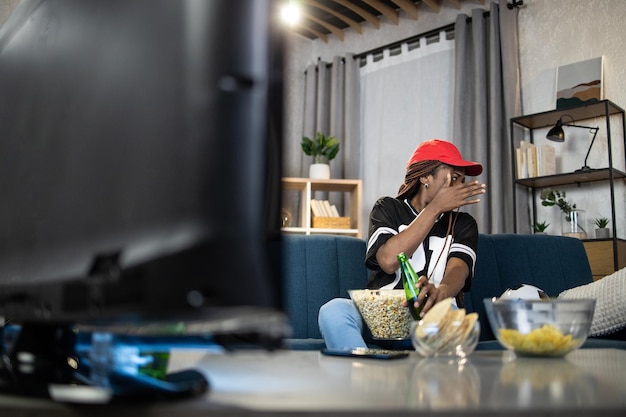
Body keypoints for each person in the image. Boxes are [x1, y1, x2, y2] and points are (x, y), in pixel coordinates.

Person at [318, 139, 487, 350]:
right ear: (425, 176)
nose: (459, 187)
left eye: (462, 180)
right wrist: (434, 209)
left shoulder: (464, 223)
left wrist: (440, 292)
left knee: (457, 323)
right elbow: (388, 260)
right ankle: (361, 376)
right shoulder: (388, 208)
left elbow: (458, 272)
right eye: (453, 178)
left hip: (435, 314)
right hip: (379, 313)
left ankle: (429, 379)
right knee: (333, 310)